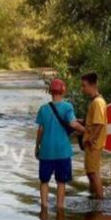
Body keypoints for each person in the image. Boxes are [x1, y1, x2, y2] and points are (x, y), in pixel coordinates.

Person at [35, 79, 85, 209]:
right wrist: (87, 131)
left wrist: (37, 146)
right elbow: (73, 124)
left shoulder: (43, 109)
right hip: (63, 152)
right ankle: (60, 208)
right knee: (61, 182)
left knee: (44, 181)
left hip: (46, 152)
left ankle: (44, 207)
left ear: (50, 92)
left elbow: (40, 130)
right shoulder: (67, 107)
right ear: (63, 91)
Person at [81, 72, 108, 200]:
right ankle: (94, 197)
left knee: (93, 172)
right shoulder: (95, 101)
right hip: (91, 142)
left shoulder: (97, 102)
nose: (82, 88)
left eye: (84, 85)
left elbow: (99, 124)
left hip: (93, 144)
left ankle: (99, 199)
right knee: (90, 172)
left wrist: (91, 139)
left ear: (93, 85)